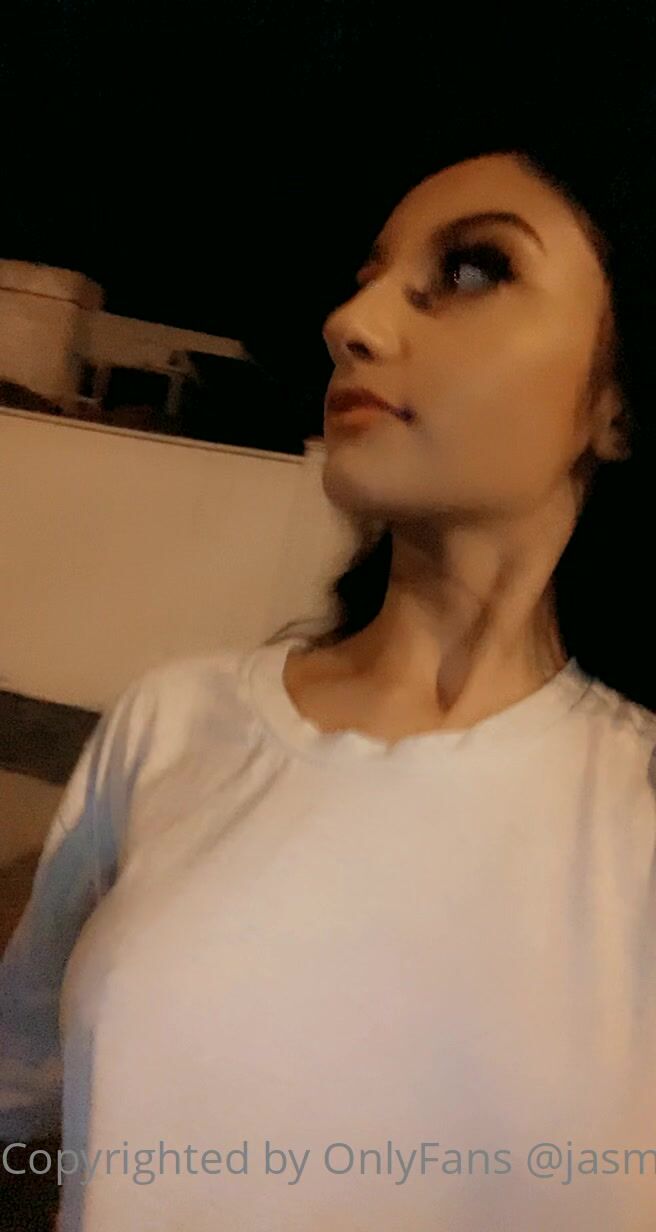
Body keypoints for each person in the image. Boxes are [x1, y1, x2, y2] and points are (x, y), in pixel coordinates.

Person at [1, 144, 655, 1231]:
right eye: (366, 278)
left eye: (473, 269)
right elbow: (22, 1093)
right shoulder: (175, 722)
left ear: (616, 406)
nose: (349, 322)